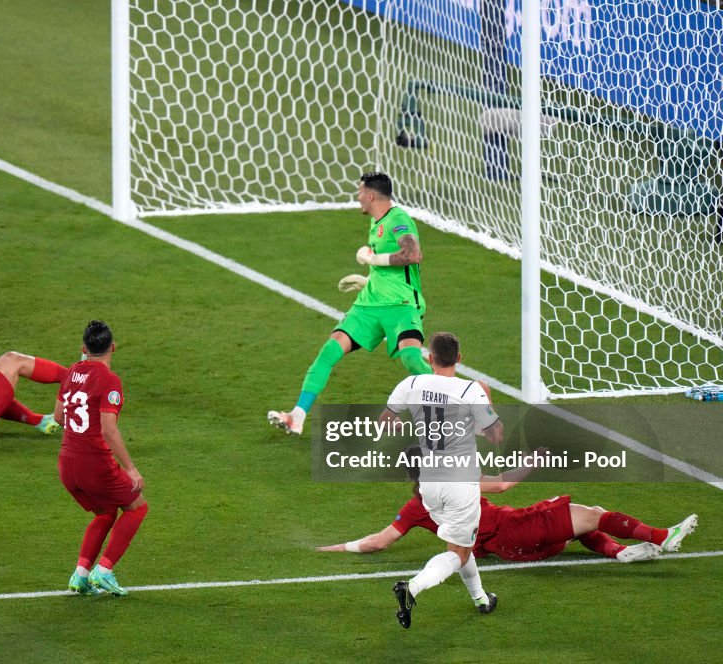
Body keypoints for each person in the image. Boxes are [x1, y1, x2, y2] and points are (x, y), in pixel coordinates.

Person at [317, 446, 698, 564]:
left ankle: (619, 553)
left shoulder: (415, 506)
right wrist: (536, 457)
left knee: (580, 525)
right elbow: (502, 484)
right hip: (515, 528)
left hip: (509, 551)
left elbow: (379, 542)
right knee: (594, 513)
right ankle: (663, 536)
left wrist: (336, 546)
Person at [268, 171, 430, 436]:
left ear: (370, 195)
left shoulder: (398, 219)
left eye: (359, 193)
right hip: (367, 307)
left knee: (412, 358)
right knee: (328, 352)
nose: (357, 198)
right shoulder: (376, 222)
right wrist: (367, 281)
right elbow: (388, 269)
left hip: (400, 306)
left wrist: (371, 259)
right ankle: (296, 416)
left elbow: (412, 255)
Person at [380, 332, 503, 629]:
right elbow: (496, 435)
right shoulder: (472, 389)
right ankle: (413, 587)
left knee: (461, 544)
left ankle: (481, 599)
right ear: (459, 358)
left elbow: (386, 420)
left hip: (429, 483)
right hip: (460, 482)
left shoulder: (411, 384)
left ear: (429, 358)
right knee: (457, 553)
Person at [56, 320, 147, 597]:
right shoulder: (109, 380)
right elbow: (108, 429)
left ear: (84, 348)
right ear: (113, 347)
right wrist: (131, 469)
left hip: (66, 464)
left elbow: (59, 417)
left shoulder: (71, 372)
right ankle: (104, 571)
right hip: (94, 464)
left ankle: (81, 575)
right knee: (136, 507)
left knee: (106, 512)